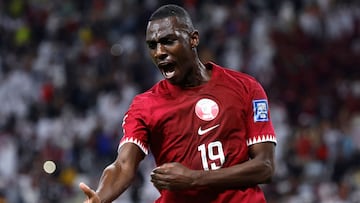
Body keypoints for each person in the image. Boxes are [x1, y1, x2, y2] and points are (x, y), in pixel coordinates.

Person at [79, 4, 277, 203]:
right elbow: (123, 166)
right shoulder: (145, 105)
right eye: (152, 45)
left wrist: (195, 178)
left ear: (193, 39)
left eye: (168, 41)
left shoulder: (246, 88)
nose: (159, 52)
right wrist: (100, 198)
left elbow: (265, 166)